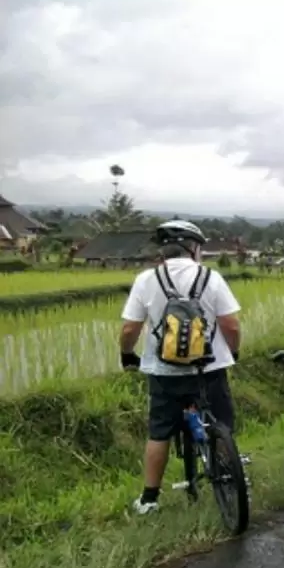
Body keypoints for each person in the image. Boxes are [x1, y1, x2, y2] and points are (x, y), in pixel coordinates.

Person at [120, 220, 242, 515]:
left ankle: (149, 500)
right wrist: (234, 352)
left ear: (164, 250)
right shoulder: (211, 277)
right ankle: (230, 478)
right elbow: (231, 324)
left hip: (164, 373)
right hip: (209, 369)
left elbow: (129, 329)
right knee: (221, 424)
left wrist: (127, 355)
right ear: (194, 248)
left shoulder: (146, 279)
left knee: (159, 432)